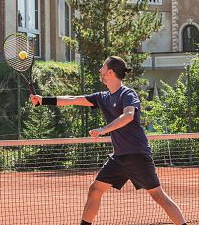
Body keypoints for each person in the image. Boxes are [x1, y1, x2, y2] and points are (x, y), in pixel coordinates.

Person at [30, 56, 187, 225]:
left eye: (102, 67)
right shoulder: (102, 97)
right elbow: (74, 99)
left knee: (158, 196)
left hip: (136, 155)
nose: (100, 70)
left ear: (110, 72)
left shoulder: (127, 94)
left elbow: (128, 116)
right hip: (119, 158)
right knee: (95, 189)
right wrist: (43, 100)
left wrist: (103, 130)